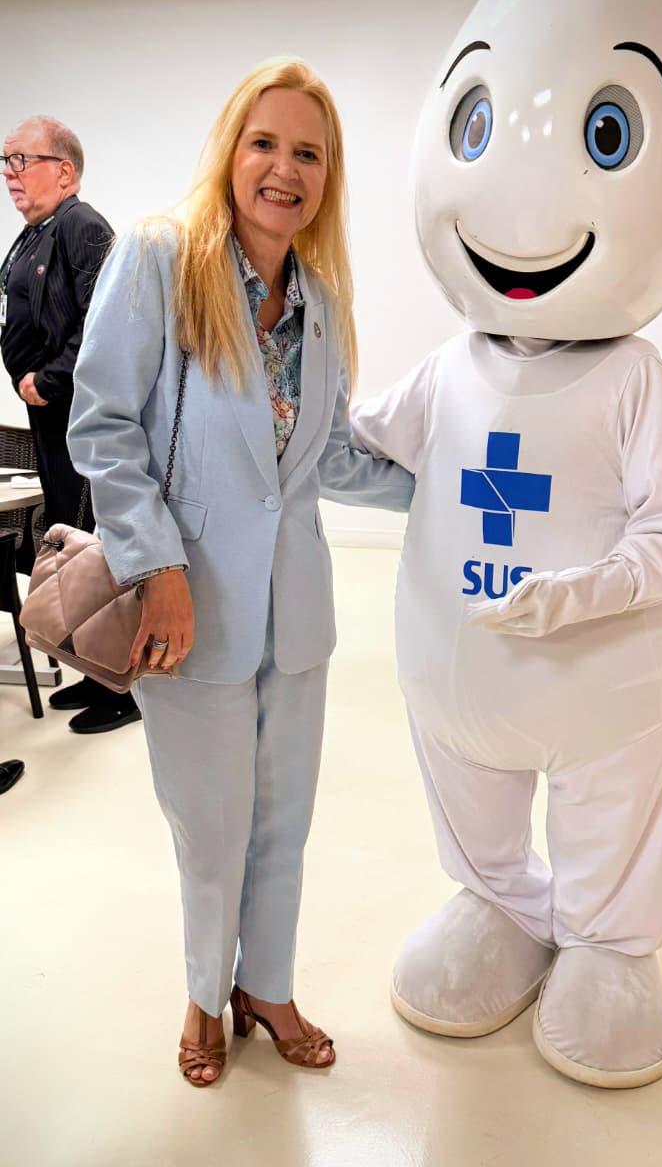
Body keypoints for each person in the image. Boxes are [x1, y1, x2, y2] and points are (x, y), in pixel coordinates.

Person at [349, 0, 662, 1090]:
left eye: (607, 136)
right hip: (462, 670)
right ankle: (501, 901)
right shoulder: (449, 366)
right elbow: (365, 447)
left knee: (618, 793)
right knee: (471, 781)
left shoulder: (631, 376)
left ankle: (608, 939)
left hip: (606, 674)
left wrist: (582, 593)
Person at [68, 57, 413, 1087]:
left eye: (309, 152)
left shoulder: (322, 299)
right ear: (230, 150)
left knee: (282, 822)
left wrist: (446, 485)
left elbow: (328, 459)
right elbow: (103, 426)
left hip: (296, 616)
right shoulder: (159, 257)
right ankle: (204, 993)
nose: (284, 169)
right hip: (186, 611)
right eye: (265, 143)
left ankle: (268, 984)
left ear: (328, 176)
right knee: (210, 828)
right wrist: (157, 565)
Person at [0, 115, 140, 734]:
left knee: (93, 547)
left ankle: (120, 688)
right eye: (5, 162)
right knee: (70, 543)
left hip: (79, 419)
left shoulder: (82, 227)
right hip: (52, 421)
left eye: (21, 160)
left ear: (64, 171)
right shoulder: (33, 235)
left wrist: (48, 379)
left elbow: (104, 326)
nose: (10, 174)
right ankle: (91, 669)